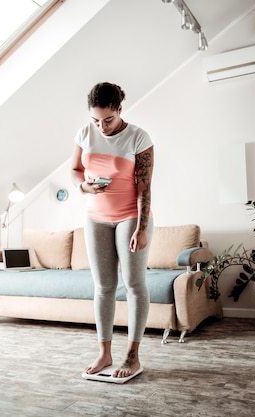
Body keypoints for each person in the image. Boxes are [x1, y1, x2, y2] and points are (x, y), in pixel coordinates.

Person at [70, 82, 154, 379]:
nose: (101, 126)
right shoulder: (85, 132)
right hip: (96, 217)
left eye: (108, 119)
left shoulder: (138, 137)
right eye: (96, 119)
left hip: (130, 215)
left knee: (133, 284)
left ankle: (133, 356)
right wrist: (84, 186)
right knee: (103, 287)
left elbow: (144, 187)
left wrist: (141, 229)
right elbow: (75, 170)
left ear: (120, 109)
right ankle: (105, 353)